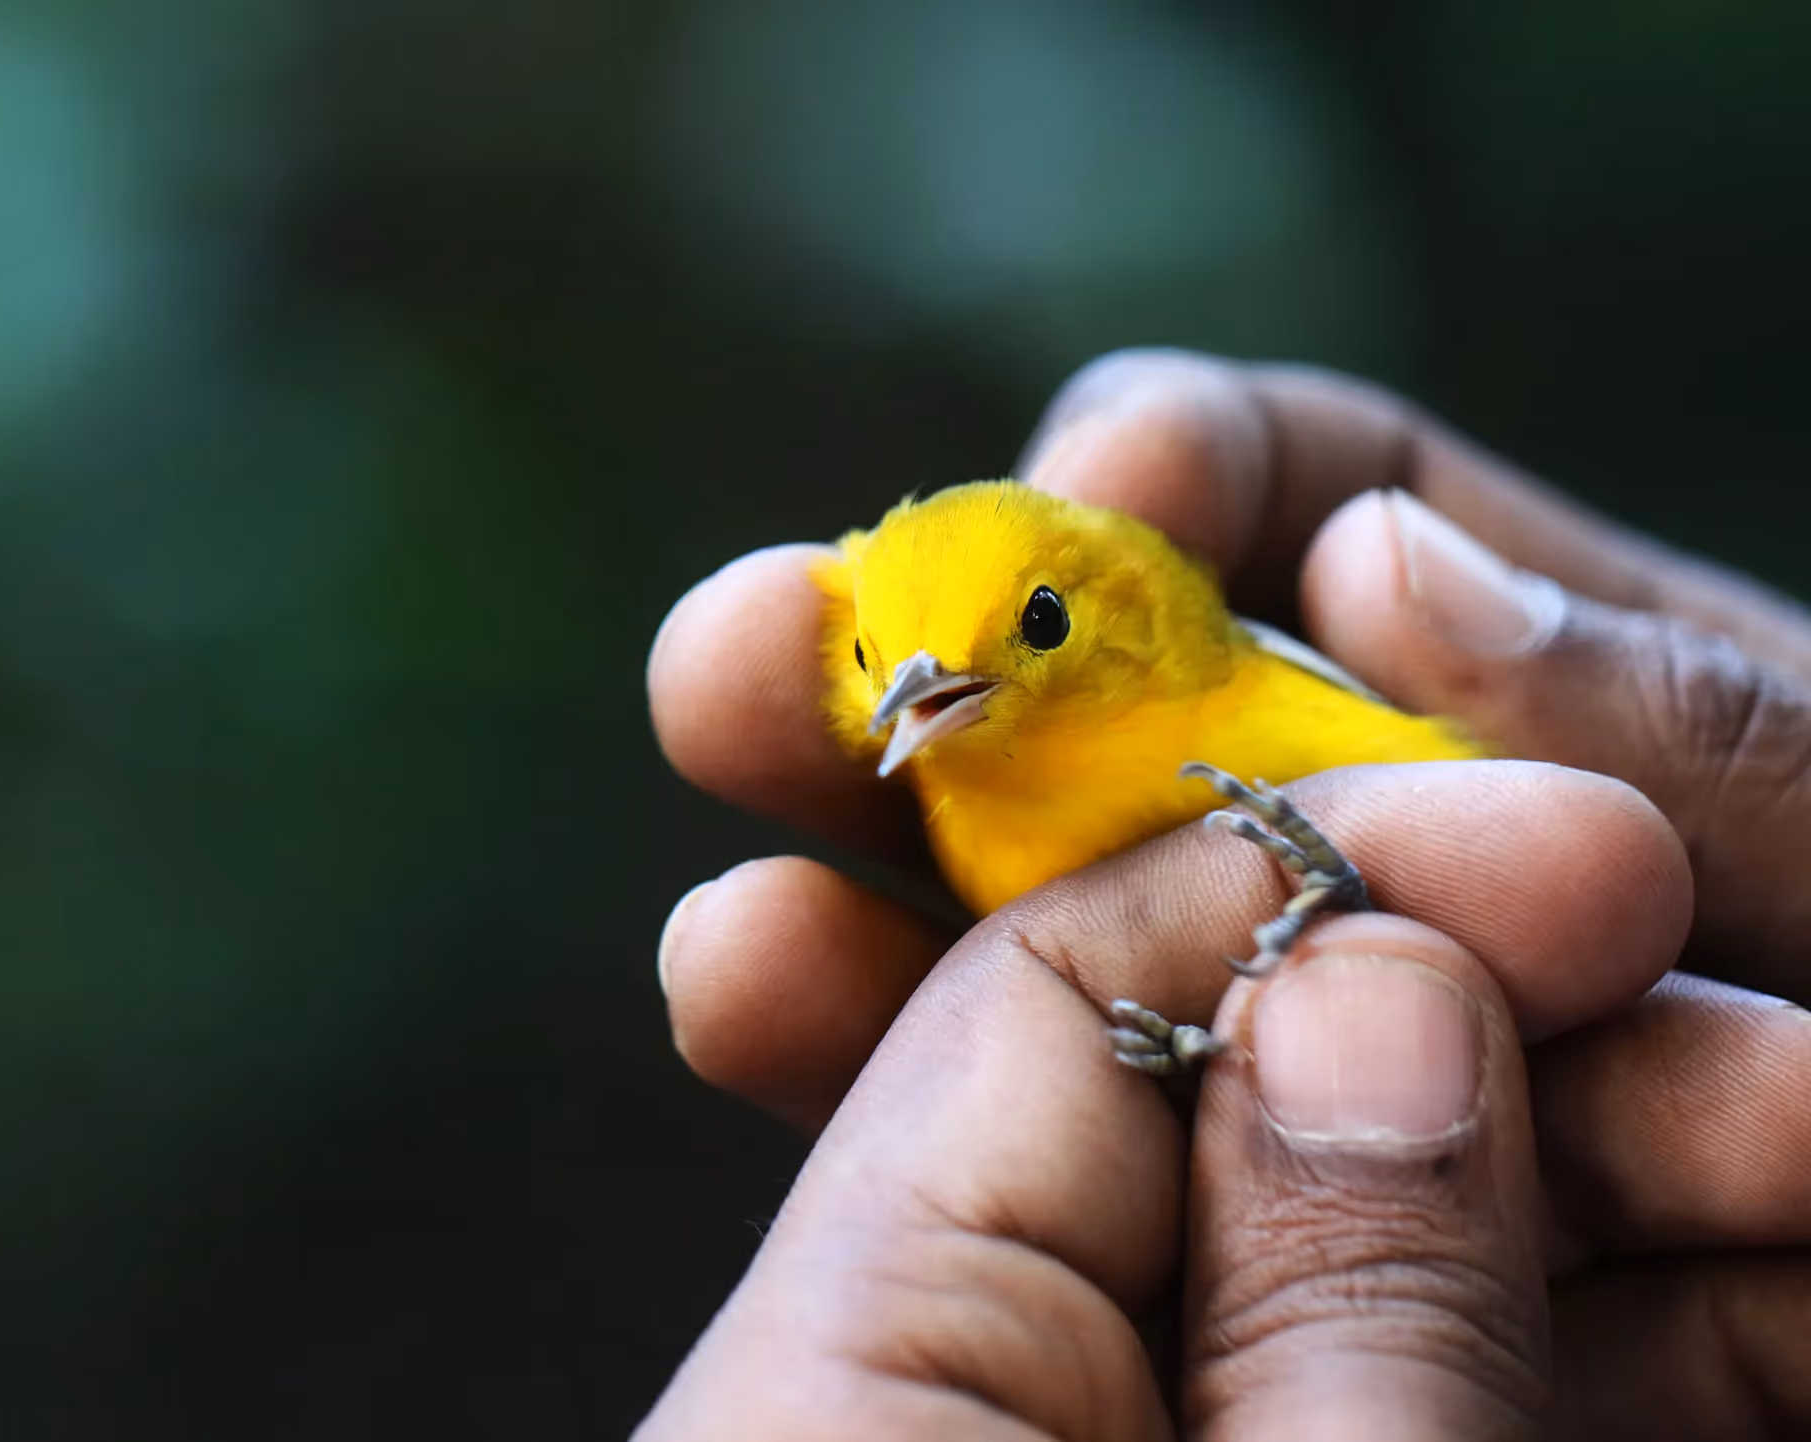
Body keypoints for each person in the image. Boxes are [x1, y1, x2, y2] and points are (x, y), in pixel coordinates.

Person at [637, 352, 1811, 1438]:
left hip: (1668, 1018)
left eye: (1040, 623)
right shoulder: (989, 863)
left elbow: (1527, 851)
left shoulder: (1252, 688)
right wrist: (1216, 1066)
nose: (914, 696)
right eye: (871, 667)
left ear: (1127, 608)